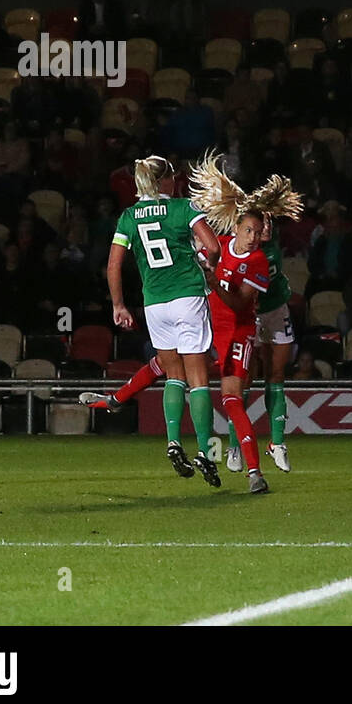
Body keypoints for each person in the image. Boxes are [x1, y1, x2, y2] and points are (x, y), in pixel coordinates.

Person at [91, 155, 223, 486]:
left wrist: (119, 304)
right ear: (165, 181)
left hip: (155, 303)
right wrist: (207, 262)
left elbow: (113, 265)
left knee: (172, 374)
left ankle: (174, 441)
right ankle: (206, 452)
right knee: (198, 377)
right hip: (187, 296)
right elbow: (214, 247)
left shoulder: (129, 217)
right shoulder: (184, 208)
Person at [188, 154, 304, 493]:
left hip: (255, 319)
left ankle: (270, 453)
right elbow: (201, 245)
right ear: (238, 226)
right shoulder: (224, 244)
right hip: (219, 327)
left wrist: (211, 279)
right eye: (252, 227)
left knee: (263, 381)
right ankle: (233, 447)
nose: (258, 232)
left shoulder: (260, 256)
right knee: (233, 387)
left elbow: (238, 300)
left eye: (264, 226)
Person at [227, 183, 306, 477]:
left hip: (275, 311)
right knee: (244, 379)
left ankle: (277, 442)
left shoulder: (266, 247)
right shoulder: (241, 247)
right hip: (250, 317)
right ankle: (235, 444)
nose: (267, 228)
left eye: (270, 222)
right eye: (262, 224)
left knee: (276, 374)